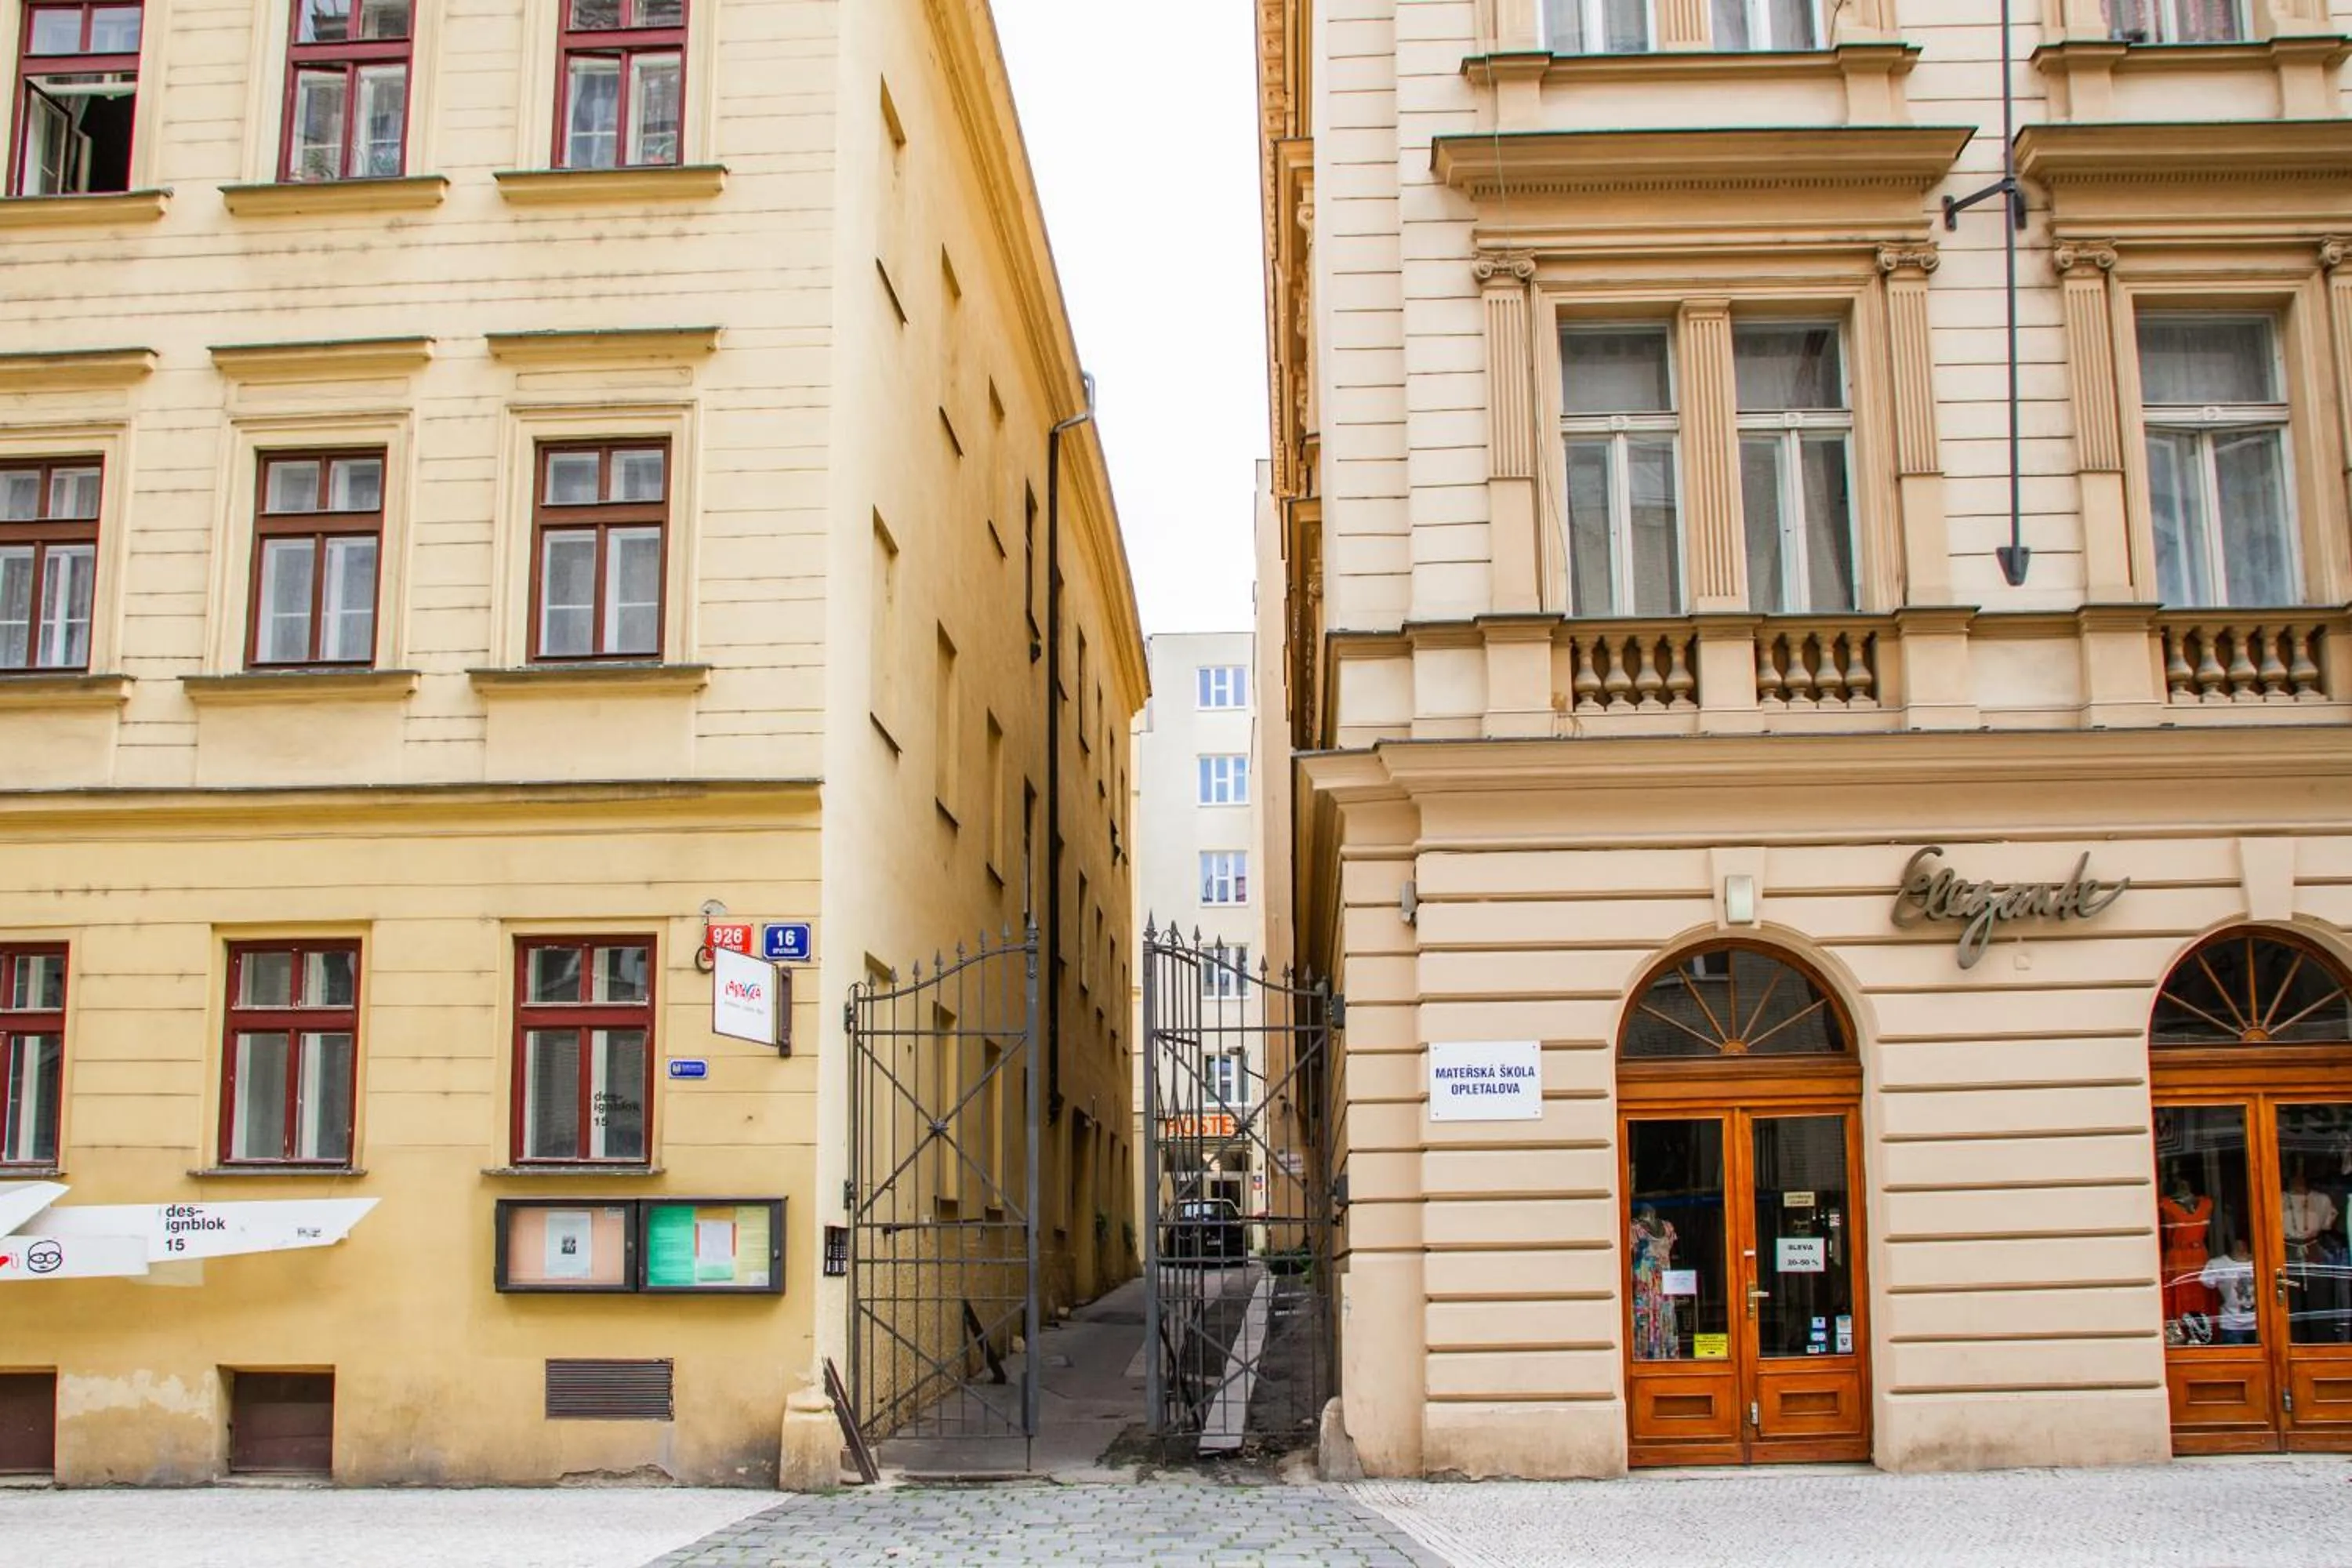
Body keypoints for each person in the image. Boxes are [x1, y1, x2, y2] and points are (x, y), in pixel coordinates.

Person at [2158, 1175, 2215, 1339]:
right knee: (2180, 1294)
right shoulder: (2166, 1205)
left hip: (2199, 1257)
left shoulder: (2206, 1204)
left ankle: (2202, 1334)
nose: (2184, 1185)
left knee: (2200, 1294)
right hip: (2178, 1257)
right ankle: (2181, 1334)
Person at [1631, 1203, 1680, 1361]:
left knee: (1665, 1314)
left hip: (1665, 1282)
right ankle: (1645, 1355)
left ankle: (1666, 1354)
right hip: (1644, 1282)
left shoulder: (1668, 1227)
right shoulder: (1634, 1229)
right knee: (1644, 1316)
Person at [2200, 1236, 2259, 1346]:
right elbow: (2207, 1284)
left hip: (2260, 1324)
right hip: (2231, 1324)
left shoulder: (2263, 1261)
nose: (2240, 1245)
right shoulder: (2218, 1264)